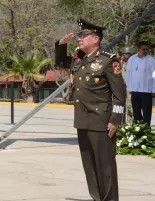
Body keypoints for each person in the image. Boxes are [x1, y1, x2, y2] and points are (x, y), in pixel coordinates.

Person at [55, 18, 126, 201]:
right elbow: (62, 62)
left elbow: (119, 93)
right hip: (83, 119)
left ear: (95, 39)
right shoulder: (80, 60)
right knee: (89, 166)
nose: (79, 38)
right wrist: (61, 44)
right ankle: (96, 197)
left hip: (101, 120)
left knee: (105, 166)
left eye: (83, 35)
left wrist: (115, 118)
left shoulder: (108, 61)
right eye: (78, 35)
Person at [125, 41, 155, 126]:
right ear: (139, 49)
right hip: (135, 90)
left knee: (146, 114)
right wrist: (129, 87)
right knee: (136, 113)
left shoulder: (151, 60)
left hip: (147, 91)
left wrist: (153, 89)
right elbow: (128, 73)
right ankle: (137, 132)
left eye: (147, 49)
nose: (145, 51)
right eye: (143, 49)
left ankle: (146, 132)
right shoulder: (132, 59)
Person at [120, 46, 134, 122]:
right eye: (123, 54)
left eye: (126, 54)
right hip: (122, 87)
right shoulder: (122, 62)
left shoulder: (133, 63)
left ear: (129, 54)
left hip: (130, 87)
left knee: (130, 106)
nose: (124, 55)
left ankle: (131, 124)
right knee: (122, 106)